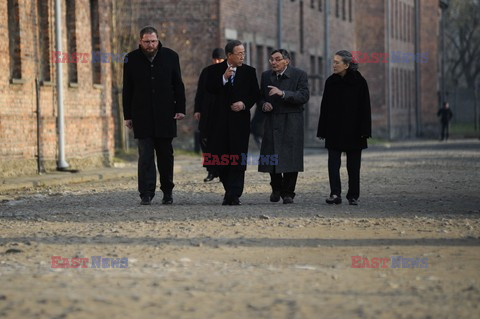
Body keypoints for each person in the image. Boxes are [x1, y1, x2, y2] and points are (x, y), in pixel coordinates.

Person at [123, 26, 186, 205]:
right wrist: (128, 115)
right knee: (145, 157)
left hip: (166, 115)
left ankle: (167, 191)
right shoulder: (131, 59)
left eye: (153, 41)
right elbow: (127, 88)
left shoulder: (171, 56)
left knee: (166, 156)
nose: (150, 45)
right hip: (141, 115)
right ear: (140, 42)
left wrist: (180, 108)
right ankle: (146, 193)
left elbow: (178, 84)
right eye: (146, 42)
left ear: (158, 40)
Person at [205, 40, 260, 205]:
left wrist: (244, 104)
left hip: (239, 122)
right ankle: (229, 189)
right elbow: (208, 90)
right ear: (229, 55)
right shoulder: (213, 71)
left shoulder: (249, 72)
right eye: (239, 53)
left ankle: (234, 193)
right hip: (219, 122)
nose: (243, 56)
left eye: (244, 53)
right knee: (222, 158)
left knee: (238, 157)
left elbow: (255, 94)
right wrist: (223, 78)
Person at [317, 50, 371, 206]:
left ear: (346, 65)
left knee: (353, 166)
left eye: (337, 62)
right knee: (333, 164)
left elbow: (365, 108)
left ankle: (353, 195)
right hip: (334, 130)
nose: (333, 65)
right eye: (333, 62)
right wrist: (322, 131)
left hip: (355, 131)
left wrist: (365, 131)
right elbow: (325, 108)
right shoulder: (330, 82)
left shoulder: (360, 82)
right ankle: (335, 193)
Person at [258, 49, 310, 204]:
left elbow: (304, 96)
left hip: (291, 121)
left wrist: (283, 93)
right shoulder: (266, 76)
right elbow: (260, 96)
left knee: (290, 158)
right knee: (271, 157)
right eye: (271, 59)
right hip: (272, 121)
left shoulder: (299, 75)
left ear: (287, 61)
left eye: (277, 59)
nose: (273, 62)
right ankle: (276, 188)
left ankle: (288, 193)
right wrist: (264, 104)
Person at [194, 48, 226, 182]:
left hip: (222, 112)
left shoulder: (228, 72)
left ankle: (220, 169)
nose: (217, 61)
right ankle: (211, 169)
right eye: (215, 59)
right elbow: (200, 91)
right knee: (204, 139)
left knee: (220, 141)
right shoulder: (206, 72)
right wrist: (197, 109)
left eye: (220, 59)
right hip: (207, 111)